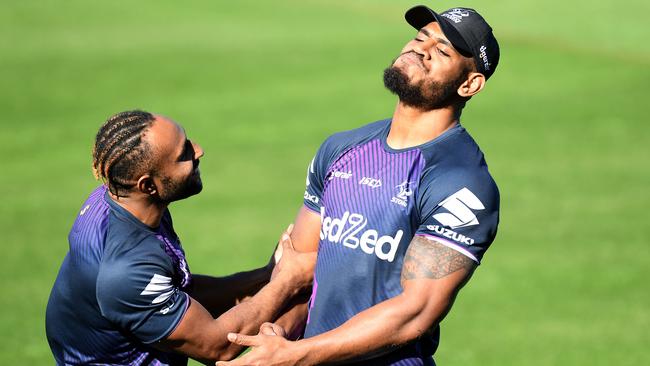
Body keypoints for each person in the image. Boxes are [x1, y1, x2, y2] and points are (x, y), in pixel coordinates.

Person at [217, 5, 501, 366]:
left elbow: (415, 313)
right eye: (419, 38)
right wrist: (277, 339)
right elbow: (299, 273)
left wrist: (297, 355)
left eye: (442, 50)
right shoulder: (341, 148)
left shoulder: (461, 182)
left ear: (470, 83)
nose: (420, 49)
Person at [45, 110, 315, 365]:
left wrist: (267, 274)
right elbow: (216, 347)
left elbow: (181, 292)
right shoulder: (125, 270)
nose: (198, 151)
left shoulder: (127, 205)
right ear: (148, 185)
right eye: (183, 154)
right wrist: (288, 281)